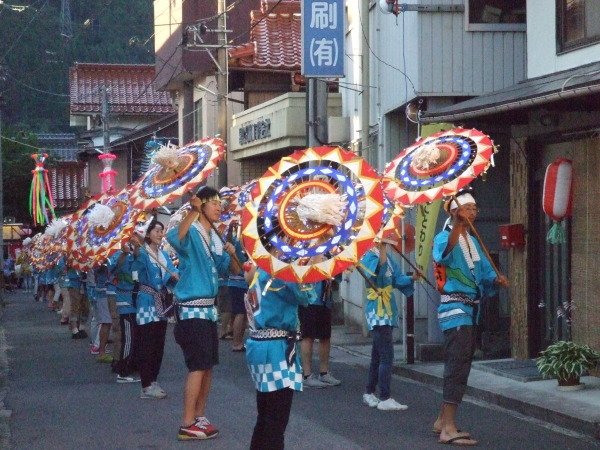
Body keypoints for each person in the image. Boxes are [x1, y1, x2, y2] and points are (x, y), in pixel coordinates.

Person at [431, 191, 509, 446]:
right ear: (455, 211)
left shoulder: (474, 243)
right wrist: (458, 224)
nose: (473, 212)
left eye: (475, 207)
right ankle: (448, 428)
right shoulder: (444, 237)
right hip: (455, 309)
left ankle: (443, 420)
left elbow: (485, 274)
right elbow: (444, 255)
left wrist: (496, 279)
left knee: (460, 363)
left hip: (470, 310)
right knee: (457, 365)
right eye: (467, 207)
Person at [166, 186, 241, 441]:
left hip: (208, 311)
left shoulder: (216, 236)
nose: (220, 207)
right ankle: (186, 422)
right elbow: (175, 238)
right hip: (191, 310)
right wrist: (191, 210)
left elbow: (226, 269)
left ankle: (199, 415)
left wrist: (232, 255)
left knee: (208, 367)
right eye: (215, 203)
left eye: (220, 204)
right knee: (197, 366)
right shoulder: (193, 231)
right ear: (203, 207)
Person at [244, 262, 317, 450]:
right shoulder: (281, 270)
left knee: (265, 416)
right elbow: (305, 296)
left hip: (260, 344)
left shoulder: (261, 267)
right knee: (276, 420)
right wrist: (309, 266)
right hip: (276, 348)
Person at [360, 240, 421, 411]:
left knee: (378, 355)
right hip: (378, 310)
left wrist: (412, 278)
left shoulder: (383, 254)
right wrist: (383, 249)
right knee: (386, 355)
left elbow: (396, 278)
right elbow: (377, 274)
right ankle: (385, 396)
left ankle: (369, 391)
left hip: (386, 309)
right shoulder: (368, 254)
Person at [131, 219, 179, 399]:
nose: (160, 234)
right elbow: (136, 261)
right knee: (147, 343)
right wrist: (137, 246)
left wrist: (175, 275)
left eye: (161, 230)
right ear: (148, 233)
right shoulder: (143, 252)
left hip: (162, 302)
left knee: (159, 344)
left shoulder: (164, 255)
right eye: (157, 230)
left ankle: (154, 379)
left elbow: (172, 271)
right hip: (147, 301)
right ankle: (146, 384)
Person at [108, 245, 141, 383]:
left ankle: (132, 364)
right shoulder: (116, 254)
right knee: (126, 337)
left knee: (134, 336)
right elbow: (113, 270)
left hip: (138, 302)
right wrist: (123, 254)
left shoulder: (139, 253)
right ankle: (123, 369)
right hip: (125, 301)